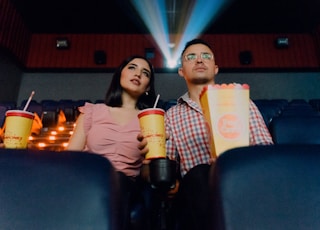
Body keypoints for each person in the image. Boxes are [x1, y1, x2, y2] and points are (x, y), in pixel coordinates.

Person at [138, 38, 273, 230]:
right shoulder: (172, 115)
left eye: (206, 56)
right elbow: (166, 166)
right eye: (191, 57)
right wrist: (154, 167)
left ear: (215, 68)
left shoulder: (242, 102)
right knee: (200, 173)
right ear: (181, 71)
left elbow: (265, 151)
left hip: (243, 183)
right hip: (196, 191)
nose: (199, 60)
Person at [67, 55, 157, 230]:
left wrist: (150, 159)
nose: (138, 73)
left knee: (119, 180)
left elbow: (147, 175)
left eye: (145, 73)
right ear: (120, 75)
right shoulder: (92, 111)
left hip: (127, 186)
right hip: (89, 179)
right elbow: (70, 157)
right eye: (132, 67)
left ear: (148, 87)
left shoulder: (150, 120)